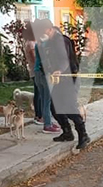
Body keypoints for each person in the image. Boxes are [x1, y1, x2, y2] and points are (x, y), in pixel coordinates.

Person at [37, 20, 90, 150]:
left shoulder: (60, 41)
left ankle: (83, 134)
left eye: (43, 32)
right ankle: (67, 132)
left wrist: (59, 70)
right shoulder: (50, 42)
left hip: (69, 78)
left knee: (69, 107)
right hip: (59, 79)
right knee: (55, 107)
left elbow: (64, 60)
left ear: (49, 29)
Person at [32, 20, 62, 134]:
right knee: (47, 100)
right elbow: (47, 60)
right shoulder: (46, 43)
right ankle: (47, 125)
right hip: (44, 73)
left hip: (37, 72)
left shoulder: (38, 42)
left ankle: (47, 121)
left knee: (43, 99)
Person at [22, 24, 43, 125]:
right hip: (36, 70)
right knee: (38, 93)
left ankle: (39, 114)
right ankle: (38, 115)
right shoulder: (31, 44)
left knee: (39, 92)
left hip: (35, 70)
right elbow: (35, 58)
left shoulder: (31, 42)